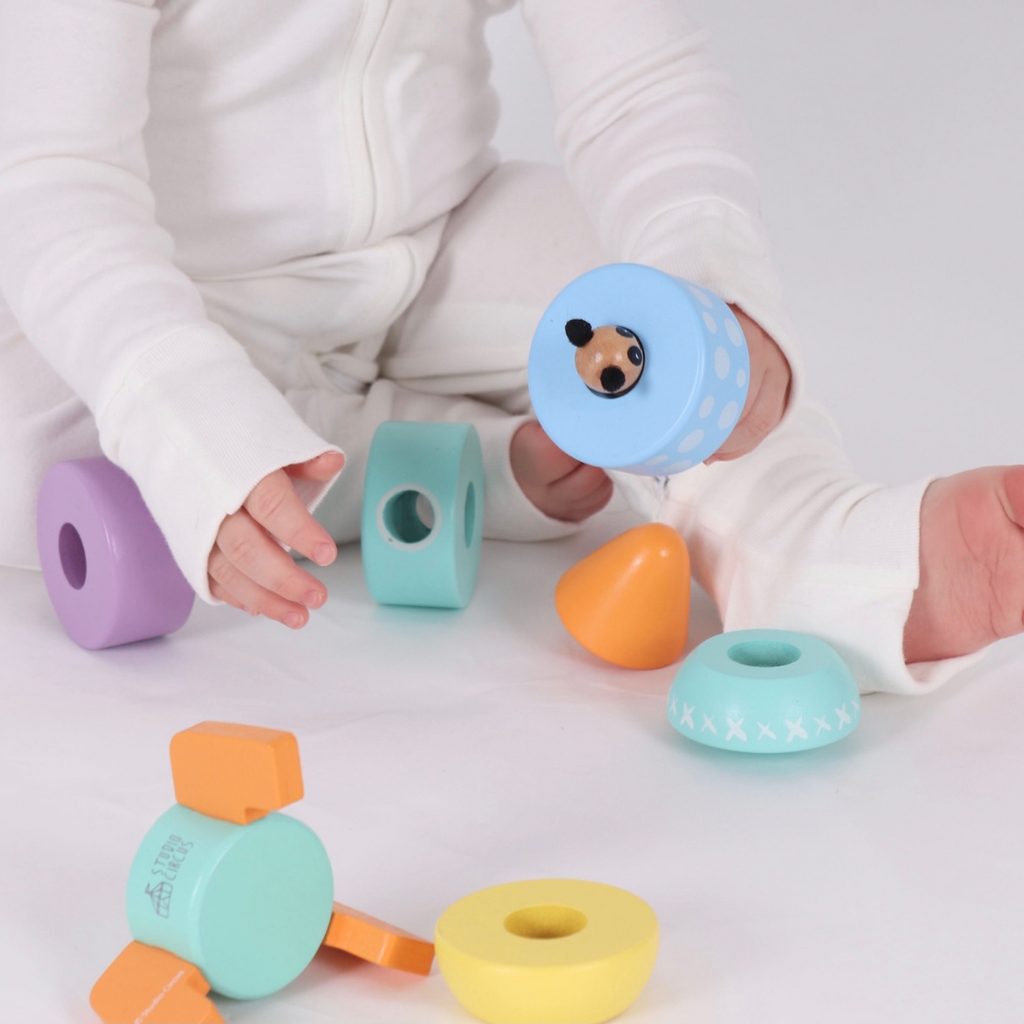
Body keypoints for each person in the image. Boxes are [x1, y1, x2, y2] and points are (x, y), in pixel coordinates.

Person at [0, 0, 1020, 694]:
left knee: (652, 306)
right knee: (49, 440)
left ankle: (813, 544)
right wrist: (181, 408)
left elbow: (638, 90)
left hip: (436, 239)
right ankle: (445, 465)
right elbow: (56, 182)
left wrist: (710, 305)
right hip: (174, 285)